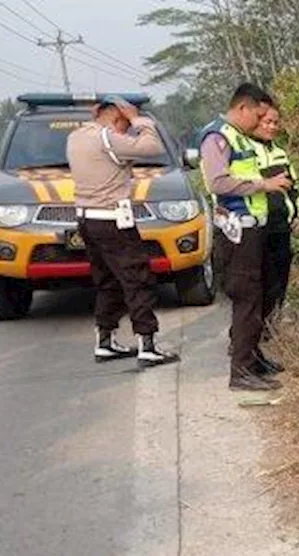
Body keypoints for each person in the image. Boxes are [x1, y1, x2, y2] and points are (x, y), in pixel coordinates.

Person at [66, 95, 178, 367]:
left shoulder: (76, 136)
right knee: (137, 278)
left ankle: (105, 341)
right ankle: (147, 344)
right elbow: (153, 147)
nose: (127, 130)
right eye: (125, 123)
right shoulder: (107, 138)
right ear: (117, 116)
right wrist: (139, 119)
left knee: (107, 280)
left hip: (86, 218)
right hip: (113, 219)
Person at [199, 83, 292, 391]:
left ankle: (253, 359)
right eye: (258, 114)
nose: (261, 121)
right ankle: (240, 372)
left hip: (256, 229)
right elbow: (217, 182)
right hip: (238, 231)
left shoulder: (240, 136)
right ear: (243, 108)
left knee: (260, 294)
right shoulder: (217, 137)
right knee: (246, 300)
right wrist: (264, 184)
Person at [251, 105, 299, 336]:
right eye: (267, 122)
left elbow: (293, 188)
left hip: (282, 225)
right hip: (258, 225)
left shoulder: (280, 154)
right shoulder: (246, 152)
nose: (272, 127)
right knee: (261, 279)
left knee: (280, 277)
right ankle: (255, 328)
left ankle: (271, 324)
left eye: (276, 123)